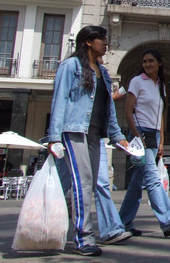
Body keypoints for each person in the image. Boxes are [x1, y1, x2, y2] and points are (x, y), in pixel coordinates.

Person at [47, 25, 130, 256]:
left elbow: (108, 107)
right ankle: (84, 238)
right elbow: (60, 100)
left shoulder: (103, 72)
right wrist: (54, 138)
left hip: (95, 135)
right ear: (88, 42)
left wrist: (118, 136)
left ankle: (56, 223)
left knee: (88, 184)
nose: (106, 44)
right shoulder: (70, 66)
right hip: (74, 132)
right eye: (102, 40)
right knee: (83, 183)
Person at [119, 48, 170, 238]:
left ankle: (123, 222)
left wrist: (162, 140)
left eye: (151, 61)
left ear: (159, 63)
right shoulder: (137, 81)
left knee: (136, 183)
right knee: (152, 178)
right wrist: (136, 135)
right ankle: (168, 221)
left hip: (155, 135)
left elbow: (161, 115)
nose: (147, 64)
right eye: (145, 61)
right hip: (141, 134)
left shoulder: (161, 85)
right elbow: (128, 111)